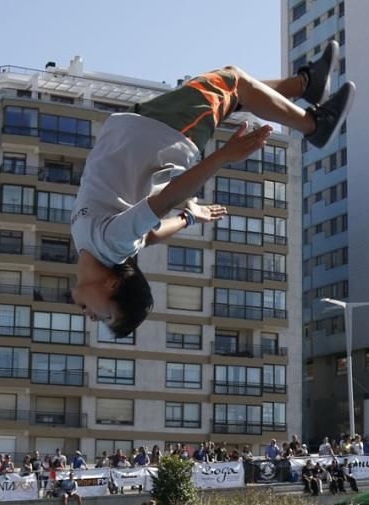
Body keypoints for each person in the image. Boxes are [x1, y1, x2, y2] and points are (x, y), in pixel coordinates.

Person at [70, 45, 354, 336]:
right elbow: (165, 200)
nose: (92, 319)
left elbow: (150, 235)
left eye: (104, 320)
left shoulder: (93, 245)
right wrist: (222, 157)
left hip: (146, 126)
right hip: (165, 132)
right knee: (233, 81)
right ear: (113, 285)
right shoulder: (113, 245)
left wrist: (189, 218)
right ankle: (315, 125)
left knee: (233, 96)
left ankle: (304, 85)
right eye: (103, 317)